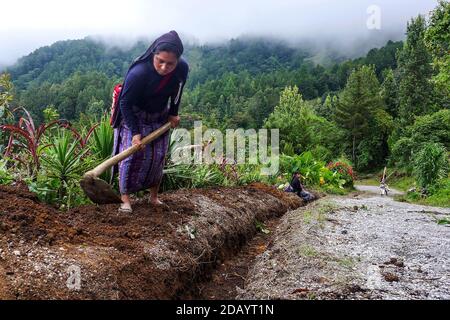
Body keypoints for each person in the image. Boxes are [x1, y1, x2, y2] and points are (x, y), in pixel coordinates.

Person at [112, 30, 189, 213]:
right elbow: (125, 102)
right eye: (160, 61)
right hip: (134, 115)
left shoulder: (182, 69)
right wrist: (136, 133)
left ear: (177, 61)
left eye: (170, 63)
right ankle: (125, 200)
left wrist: (173, 113)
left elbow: (178, 92)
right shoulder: (139, 73)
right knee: (130, 156)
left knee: (158, 156)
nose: (164, 67)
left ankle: (153, 197)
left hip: (159, 115)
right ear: (153, 54)